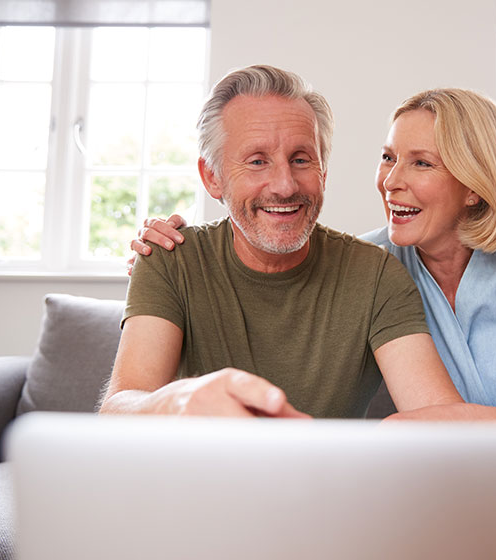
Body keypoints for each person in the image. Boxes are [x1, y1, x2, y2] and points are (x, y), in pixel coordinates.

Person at [133, 82, 496, 425]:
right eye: (388, 157)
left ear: (474, 185)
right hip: (448, 477)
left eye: (422, 163)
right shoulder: (377, 261)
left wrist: (440, 424)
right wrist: (168, 265)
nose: (391, 181)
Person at [100, 65, 465, 419]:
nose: (285, 185)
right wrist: (176, 402)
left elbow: (437, 421)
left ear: (324, 170)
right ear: (212, 177)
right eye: (257, 161)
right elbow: (118, 411)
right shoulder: (169, 260)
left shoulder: (377, 274)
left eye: (301, 160)